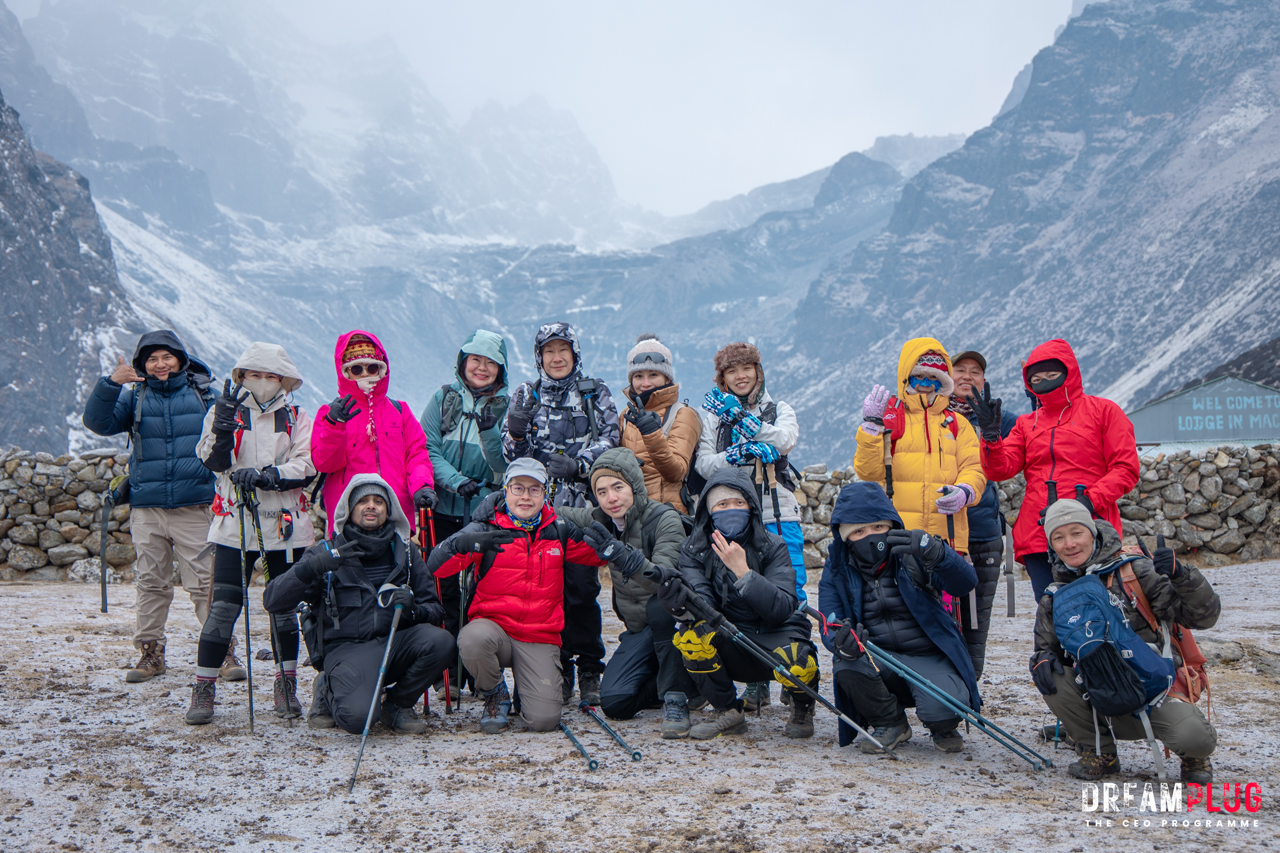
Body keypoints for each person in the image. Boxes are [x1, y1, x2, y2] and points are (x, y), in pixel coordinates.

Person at [1030, 500, 1220, 782]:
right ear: (1051, 545)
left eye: (1076, 532)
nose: (1069, 544)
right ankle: (1100, 753)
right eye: (1058, 537)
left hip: (1155, 689)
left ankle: (1194, 756)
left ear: (1093, 532)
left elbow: (1203, 617)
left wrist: (1182, 576)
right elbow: (1045, 648)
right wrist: (1043, 659)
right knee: (1050, 672)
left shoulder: (1135, 572)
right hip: (1098, 693)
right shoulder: (1055, 594)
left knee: (1197, 740)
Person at [81, 330, 224, 684]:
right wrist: (110, 384)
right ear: (142, 365)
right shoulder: (134, 397)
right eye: (151, 359)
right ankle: (150, 654)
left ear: (180, 359)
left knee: (205, 582)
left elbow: (232, 435)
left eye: (166, 357)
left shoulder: (205, 394)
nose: (160, 365)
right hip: (148, 507)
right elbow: (97, 423)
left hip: (196, 504)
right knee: (151, 583)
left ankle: (222, 652)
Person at [186, 342, 316, 725]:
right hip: (234, 522)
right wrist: (223, 429)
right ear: (241, 376)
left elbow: (307, 463)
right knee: (224, 607)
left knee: (283, 609)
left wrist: (269, 476)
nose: (262, 382)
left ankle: (285, 684)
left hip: (286, 524)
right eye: (254, 374)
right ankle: (204, 688)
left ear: (283, 380)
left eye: (271, 375)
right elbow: (211, 460)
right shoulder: (222, 411)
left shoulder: (295, 415)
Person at [263, 475, 455, 734]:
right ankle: (326, 687)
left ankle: (397, 705)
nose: (371, 506)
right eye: (363, 501)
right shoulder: (326, 552)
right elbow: (273, 600)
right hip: (347, 651)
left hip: (394, 644)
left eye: (378, 501)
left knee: (442, 641)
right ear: (349, 509)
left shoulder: (406, 552)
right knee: (359, 721)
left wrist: (413, 608)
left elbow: (435, 609)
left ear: (389, 510)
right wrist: (310, 568)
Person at [428, 459, 604, 734]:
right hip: (493, 630)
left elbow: (599, 557)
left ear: (545, 493)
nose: (525, 496)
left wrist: (612, 530)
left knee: (543, 720)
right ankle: (495, 693)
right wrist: (459, 544)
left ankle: (528, 688)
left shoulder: (560, 530)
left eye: (534, 489)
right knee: (472, 639)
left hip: (539, 634)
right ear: (506, 491)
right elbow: (436, 567)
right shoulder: (485, 528)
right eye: (518, 488)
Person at [967, 339, 1141, 601]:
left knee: (1101, 605)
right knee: (1052, 610)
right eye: (1036, 378)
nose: (1044, 381)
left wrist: (1088, 501)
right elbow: (1000, 470)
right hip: (1040, 532)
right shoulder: (1028, 424)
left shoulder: (1104, 412)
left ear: (1069, 372)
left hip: (1091, 527)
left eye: (1052, 374)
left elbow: (1125, 468)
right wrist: (991, 437)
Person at [501, 322, 620, 705]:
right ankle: (558, 667)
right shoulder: (526, 394)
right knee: (546, 591)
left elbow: (610, 439)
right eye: (548, 351)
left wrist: (578, 464)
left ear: (574, 354)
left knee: (583, 589)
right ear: (539, 357)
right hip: (539, 512)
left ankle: (589, 668)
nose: (556, 358)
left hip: (583, 508)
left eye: (563, 350)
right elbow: (510, 458)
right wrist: (516, 434)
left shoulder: (594, 391)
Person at [655, 467, 819, 740]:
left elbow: (781, 609)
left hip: (775, 633)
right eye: (722, 504)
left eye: (739, 502)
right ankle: (727, 710)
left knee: (798, 660)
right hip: (731, 633)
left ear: (751, 507)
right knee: (694, 638)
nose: (731, 509)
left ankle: (802, 706)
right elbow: (703, 605)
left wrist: (744, 573)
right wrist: (677, 605)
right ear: (709, 511)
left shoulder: (773, 545)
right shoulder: (695, 549)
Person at [818, 481, 981, 755]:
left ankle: (943, 726)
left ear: (891, 526)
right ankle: (890, 722)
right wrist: (838, 642)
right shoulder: (837, 568)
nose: (870, 536)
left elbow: (965, 584)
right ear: (846, 537)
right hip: (877, 658)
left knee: (943, 711)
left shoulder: (915, 552)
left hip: (930, 655)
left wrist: (939, 555)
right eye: (859, 531)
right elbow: (829, 619)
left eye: (878, 528)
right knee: (846, 665)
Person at [556, 448, 702, 737]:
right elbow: (549, 512)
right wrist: (499, 502)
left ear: (635, 486)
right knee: (616, 703)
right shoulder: (602, 518)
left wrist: (626, 558)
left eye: (618, 487)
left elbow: (667, 581)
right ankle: (679, 683)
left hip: (677, 624)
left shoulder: (664, 520)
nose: (611, 498)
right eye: (601, 491)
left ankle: (677, 696)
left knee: (662, 607)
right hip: (639, 631)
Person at [694, 341, 806, 712]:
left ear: (759, 371)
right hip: (736, 516)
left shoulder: (779, 409)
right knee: (743, 591)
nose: (740, 376)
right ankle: (758, 678)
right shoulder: (712, 418)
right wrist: (736, 455)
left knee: (791, 590)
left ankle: (795, 671)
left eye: (747, 368)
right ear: (722, 377)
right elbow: (704, 465)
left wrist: (746, 424)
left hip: (778, 510)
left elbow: (786, 440)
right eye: (732, 371)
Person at [420, 329, 510, 702]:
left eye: (490, 362)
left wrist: (481, 485)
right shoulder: (442, 399)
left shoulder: (507, 407)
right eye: (476, 360)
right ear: (463, 362)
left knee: (479, 592)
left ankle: (479, 674)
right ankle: (449, 675)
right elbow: (427, 447)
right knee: (443, 591)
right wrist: (457, 482)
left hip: (483, 510)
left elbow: (503, 467)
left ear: (500, 369)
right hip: (442, 508)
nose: (482, 368)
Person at [854, 338, 986, 557]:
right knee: (901, 591)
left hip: (947, 536)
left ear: (943, 381)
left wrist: (965, 490)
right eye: (919, 375)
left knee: (946, 592)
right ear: (907, 377)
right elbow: (868, 472)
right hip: (896, 536)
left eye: (934, 377)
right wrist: (871, 427)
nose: (926, 382)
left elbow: (974, 467)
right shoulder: (890, 419)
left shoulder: (957, 423)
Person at [312, 330, 437, 537]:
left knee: (397, 569)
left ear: (382, 370)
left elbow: (416, 455)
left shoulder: (400, 411)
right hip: (347, 515)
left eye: (371, 367)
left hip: (393, 512)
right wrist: (335, 425)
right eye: (356, 368)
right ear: (344, 372)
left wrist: (422, 486)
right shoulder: (329, 414)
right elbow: (324, 463)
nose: (364, 374)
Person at [948, 349, 1018, 679]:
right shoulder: (931, 417)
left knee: (976, 626)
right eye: (959, 369)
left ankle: (968, 696)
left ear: (984, 381)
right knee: (941, 620)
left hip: (982, 533)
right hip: (941, 533)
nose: (966, 376)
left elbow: (1035, 431)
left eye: (975, 371)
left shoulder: (998, 419)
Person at [618, 333, 701, 513]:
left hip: (670, 517)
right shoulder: (626, 415)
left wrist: (651, 433)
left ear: (667, 378)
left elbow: (676, 472)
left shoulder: (683, 414)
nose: (645, 383)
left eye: (653, 374)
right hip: (631, 515)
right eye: (638, 376)